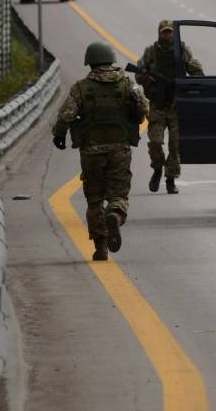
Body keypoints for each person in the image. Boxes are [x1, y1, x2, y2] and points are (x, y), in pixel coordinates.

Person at [52, 41, 149, 261]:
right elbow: (143, 110)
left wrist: (59, 135)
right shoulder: (128, 84)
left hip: (91, 151)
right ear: (111, 58)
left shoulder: (81, 87)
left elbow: (66, 115)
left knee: (94, 200)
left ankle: (101, 247)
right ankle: (115, 213)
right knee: (119, 194)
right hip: (119, 148)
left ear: (91, 61)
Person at [135, 20, 204, 194]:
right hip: (157, 105)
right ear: (159, 33)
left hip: (176, 105)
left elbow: (196, 71)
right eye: (164, 32)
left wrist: (188, 85)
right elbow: (138, 74)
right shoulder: (151, 52)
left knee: (175, 145)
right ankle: (158, 169)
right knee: (155, 142)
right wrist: (147, 78)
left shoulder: (182, 51)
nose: (167, 35)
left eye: (170, 32)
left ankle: (171, 178)